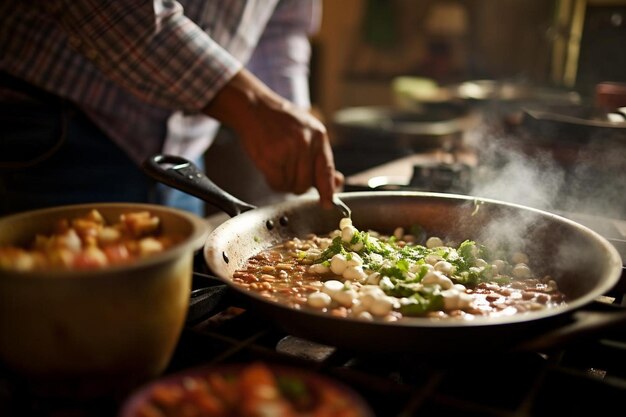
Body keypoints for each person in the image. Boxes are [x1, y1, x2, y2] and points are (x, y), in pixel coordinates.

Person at [0, 0, 343, 217]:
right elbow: (107, 11)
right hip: (58, 135)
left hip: (185, 166)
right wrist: (253, 106)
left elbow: (282, 24)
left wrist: (290, 119)